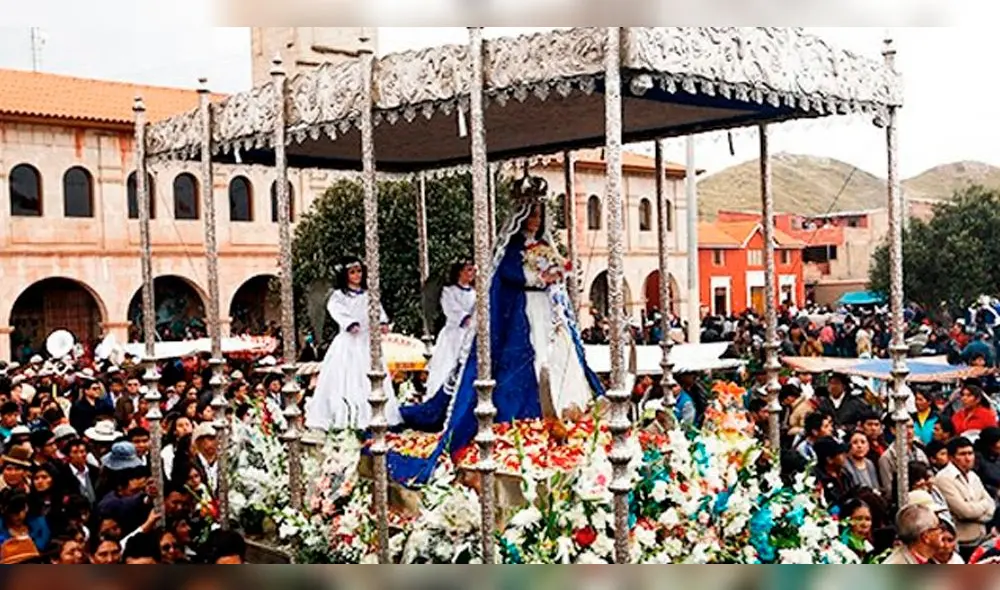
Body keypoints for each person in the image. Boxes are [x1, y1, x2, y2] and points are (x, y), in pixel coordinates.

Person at [392, 183, 603, 484]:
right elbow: (509, 273)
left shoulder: (545, 246)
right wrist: (538, 276)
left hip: (548, 312)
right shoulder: (513, 248)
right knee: (527, 366)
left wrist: (558, 273)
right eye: (530, 213)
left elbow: (557, 271)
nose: (534, 219)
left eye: (539, 214)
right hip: (524, 314)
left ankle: (569, 411)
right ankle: (527, 417)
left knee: (560, 359)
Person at [305, 256, 402, 432]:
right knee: (347, 379)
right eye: (352, 272)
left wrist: (382, 322)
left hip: (367, 342)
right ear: (345, 275)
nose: (357, 275)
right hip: (348, 342)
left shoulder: (369, 294)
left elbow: (378, 310)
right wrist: (349, 322)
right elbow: (335, 309)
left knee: (371, 377)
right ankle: (346, 417)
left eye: (359, 271)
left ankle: (376, 416)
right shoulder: (338, 295)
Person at [934, 437, 995, 557]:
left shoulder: (973, 476)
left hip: (982, 538)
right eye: (962, 454)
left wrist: (977, 509)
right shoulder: (944, 479)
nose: (968, 458)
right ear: (951, 457)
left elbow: (991, 506)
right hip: (961, 543)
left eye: (970, 453)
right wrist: (983, 505)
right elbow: (965, 512)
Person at [424, 260, 478, 399]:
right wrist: (464, 318)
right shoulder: (449, 291)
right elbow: (451, 309)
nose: (472, 273)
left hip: (471, 333)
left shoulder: (476, 293)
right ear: (460, 272)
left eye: (472, 270)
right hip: (453, 334)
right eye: (468, 269)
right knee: (447, 364)